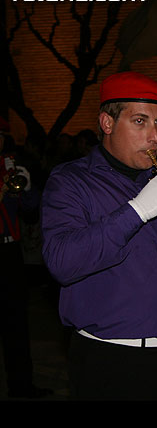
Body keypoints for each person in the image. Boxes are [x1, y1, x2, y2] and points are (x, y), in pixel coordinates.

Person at [41, 71, 157, 401]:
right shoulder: (70, 181)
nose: (154, 136)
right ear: (107, 123)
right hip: (115, 361)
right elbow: (62, 262)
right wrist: (138, 210)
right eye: (140, 121)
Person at [0, 118, 50, 398]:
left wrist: (28, 188)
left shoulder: (8, 165)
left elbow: (30, 210)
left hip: (9, 252)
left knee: (16, 324)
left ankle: (22, 387)